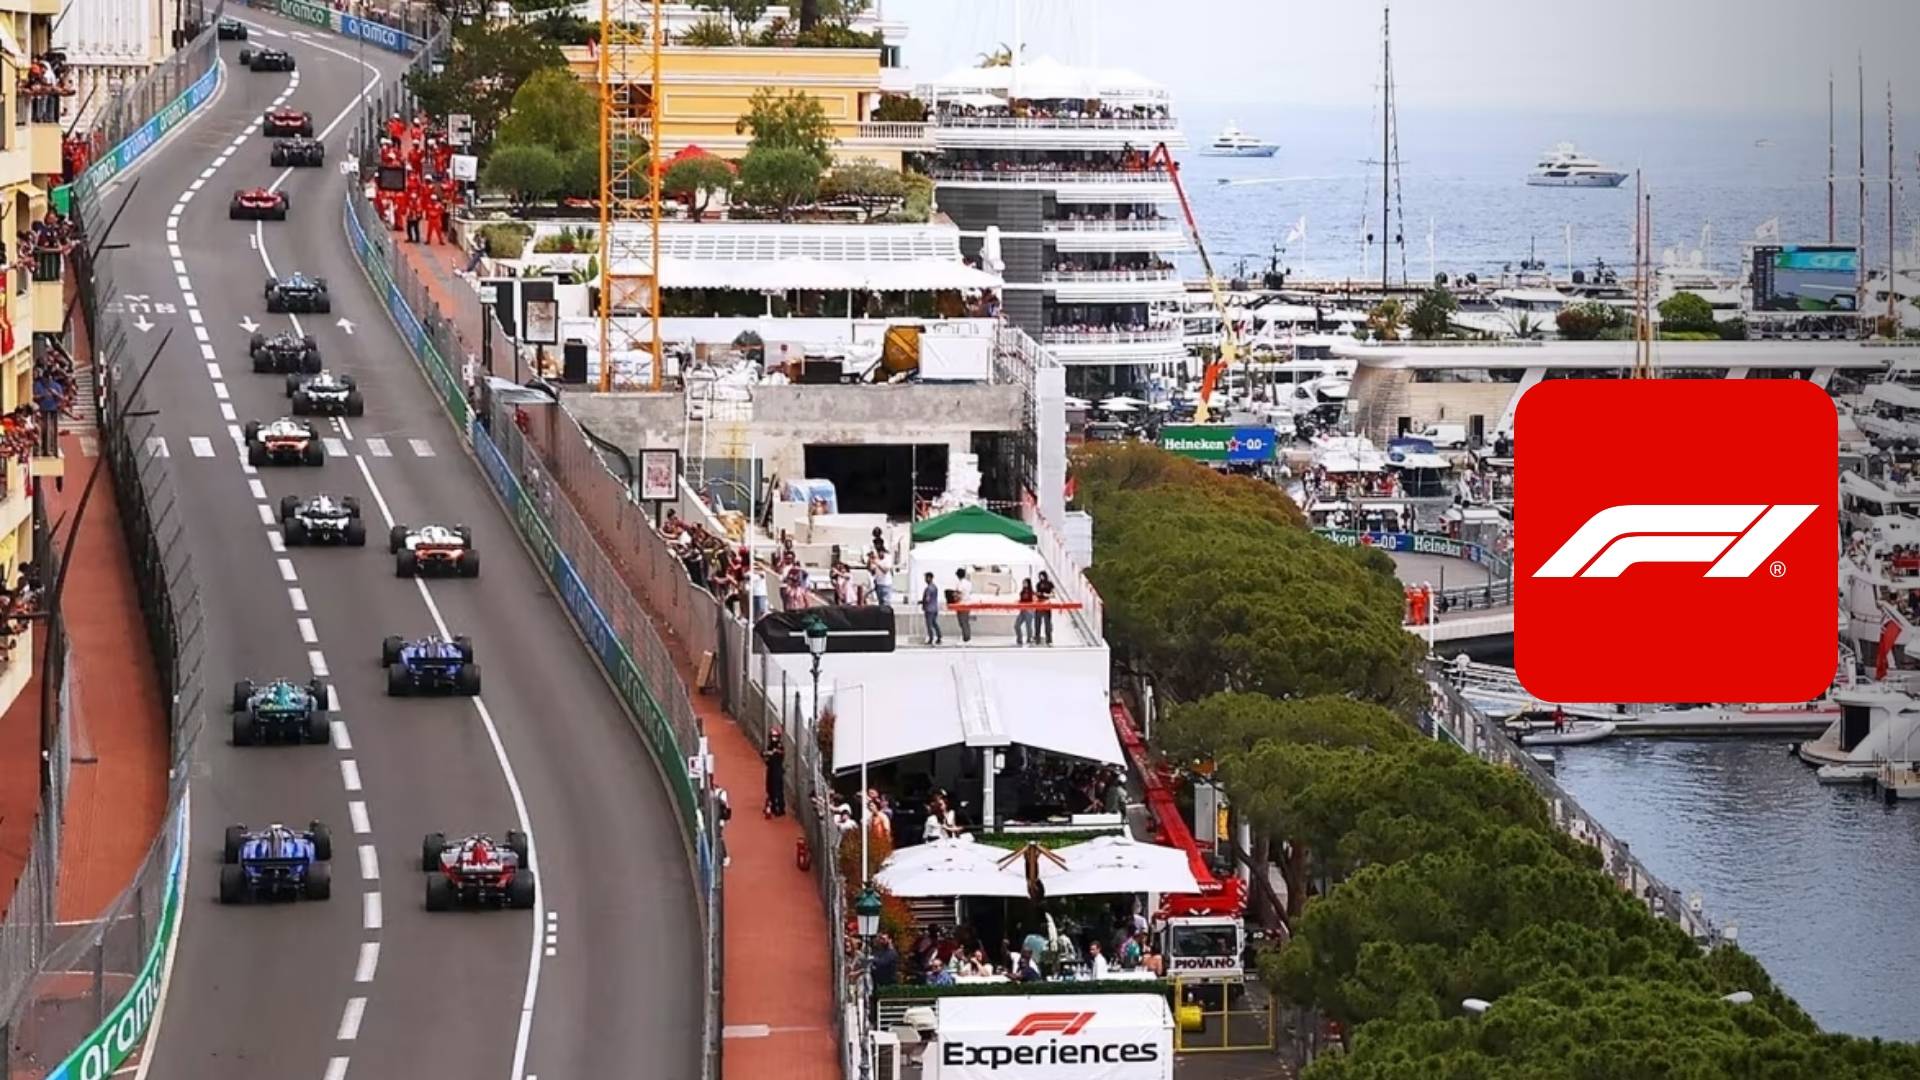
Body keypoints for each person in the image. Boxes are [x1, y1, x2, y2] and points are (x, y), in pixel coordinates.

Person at [762, 728, 787, 817]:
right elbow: (765, 755)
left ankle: (780, 808)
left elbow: (778, 754)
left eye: (775, 737)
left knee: (778, 789)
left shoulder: (779, 747)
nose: (774, 739)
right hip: (771, 769)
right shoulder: (770, 746)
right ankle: (772, 805)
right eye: (772, 737)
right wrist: (767, 755)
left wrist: (770, 754)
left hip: (777, 771)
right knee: (770, 788)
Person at [1033, 571, 1056, 645]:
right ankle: (1037, 638)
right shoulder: (1038, 584)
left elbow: (1053, 594)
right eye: (1040, 576)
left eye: (1042, 576)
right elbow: (1037, 594)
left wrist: (1046, 595)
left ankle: (1049, 639)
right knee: (1037, 623)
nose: (1041, 577)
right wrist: (1037, 594)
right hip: (1039, 603)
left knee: (1047, 623)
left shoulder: (1050, 584)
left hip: (1046, 604)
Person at [919, 571, 942, 645]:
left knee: (929, 624)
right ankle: (939, 636)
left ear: (929, 578)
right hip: (935, 608)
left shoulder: (928, 588)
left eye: (926, 578)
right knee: (934, 623)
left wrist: (921, 602)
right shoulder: (935, 587)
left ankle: (931, 638)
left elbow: (927, 599)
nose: (925, 579)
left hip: (929, 609)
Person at [952, 568, 973, 644]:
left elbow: (959, 594)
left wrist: (954, 596)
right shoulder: (969, 583)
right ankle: (967, 637)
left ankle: (966, 639)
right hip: (968, 604)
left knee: (962, 622)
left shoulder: (960, 584)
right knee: (966, 622)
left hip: (961, 604)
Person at [1014, 577, 1035, 646]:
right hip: (1022, 611)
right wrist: (1018, 602)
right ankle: (1019, 639)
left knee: (1028, 626)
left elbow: (1034, 601)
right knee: (1016, 625)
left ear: (1028, 583)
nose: (1024, 584)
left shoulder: (1031, 592)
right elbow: (1022, 600)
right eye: (1023, 583)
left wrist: (1031, 610)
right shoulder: (1022, 592)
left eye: (1025, 583)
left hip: (1029, 611)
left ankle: (1029, 639)